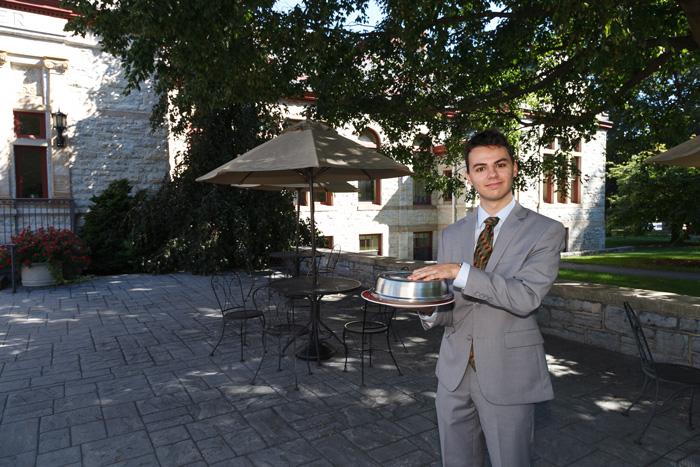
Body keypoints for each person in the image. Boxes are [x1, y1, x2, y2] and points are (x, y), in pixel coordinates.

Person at [409, 129, 565, 467]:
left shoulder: (546, 230)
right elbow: (451, 305)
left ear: (515, 168)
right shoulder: (452, 233)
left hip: (509, 373)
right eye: (480, 168)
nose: (491, 174)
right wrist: (427, 308)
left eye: (500, 164)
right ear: (468, 176)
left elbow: (526, 297)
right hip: (453, 372)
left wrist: (460, 271)